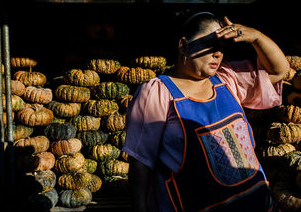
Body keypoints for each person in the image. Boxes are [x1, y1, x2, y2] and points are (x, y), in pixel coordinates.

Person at [122, 11, 289, 212]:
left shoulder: (228, 79)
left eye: (221, 48)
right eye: (210, 44)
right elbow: (141, 162)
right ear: (183, 45)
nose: (218, 54)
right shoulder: (157, 92)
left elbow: (279, 71)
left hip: (257, 204)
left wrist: (256, 37)